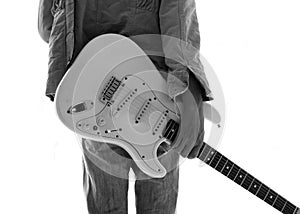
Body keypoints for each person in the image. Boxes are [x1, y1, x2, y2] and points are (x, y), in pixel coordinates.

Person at [38, 0, 213, 213]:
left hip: (94, 90)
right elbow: (176, 10)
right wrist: (187, 90)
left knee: (106, 199)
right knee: (158, 198)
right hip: (156, 92)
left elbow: (47, 26)